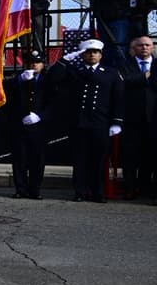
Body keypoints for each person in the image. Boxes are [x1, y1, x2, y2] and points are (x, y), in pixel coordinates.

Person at [45, 38, 125, 202]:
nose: (92, 55)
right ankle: (80, 191)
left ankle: (98, 192)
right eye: (88, 52)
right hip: (79, 122)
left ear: (101, 55)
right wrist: (64, 60)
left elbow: (118, 98)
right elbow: (52, 79)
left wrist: (117, 121)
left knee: (99, 160)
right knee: (80, 159)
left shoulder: (110, 72)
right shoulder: (74, 70)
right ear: (82, 55)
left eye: (95, 52)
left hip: (100, 123)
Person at [7, 50, 50, 200]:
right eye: (31, 63)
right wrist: (20, 79)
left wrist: (40, 116)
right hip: (20, 125)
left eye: (37, 62)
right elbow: (6, 90)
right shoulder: (19, 79)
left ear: (43, 64)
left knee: (37, 159)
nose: (34, 65)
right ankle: (20, 189)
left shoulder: (47, 81)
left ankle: (35, 189)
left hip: (38, 126)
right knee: (20, 159)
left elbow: (53, 103)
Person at [119, 35, 156, 199]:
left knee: (150, 155)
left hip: (153, 119)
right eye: (140, 45)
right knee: (130, 156)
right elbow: (122, 83)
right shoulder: (124, 66)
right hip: (132, 119)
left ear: (153, 47)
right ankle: (130, 187)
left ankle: (146, 187)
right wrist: (143, 77)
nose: (144, 48)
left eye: (148, 45)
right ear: (134, 49)